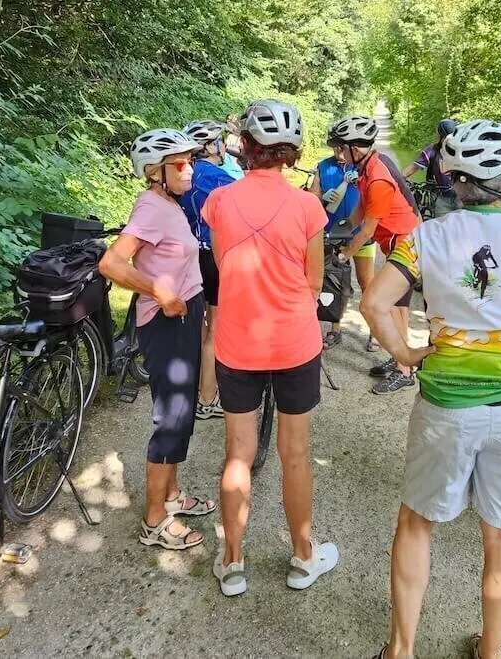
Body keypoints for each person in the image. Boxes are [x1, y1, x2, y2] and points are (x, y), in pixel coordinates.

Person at [360, 120, 501, 659]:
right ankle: (491, 652)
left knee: (416, 523)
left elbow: (374, 304)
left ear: (452, 180)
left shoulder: (424, 239)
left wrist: (406, 355)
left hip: (446, 408)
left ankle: (401, 651)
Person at [201, 98, 339, 597]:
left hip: (239, 345)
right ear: (293, 152)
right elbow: (313, 281)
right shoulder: (308, 207)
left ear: (245, 147)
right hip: (295, 344)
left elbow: (223, 267)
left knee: (238, 454)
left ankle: (233, 562)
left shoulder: (218, 202)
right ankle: (304, 558)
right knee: (295, 454)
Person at [98, 128, 218, 550]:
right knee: (171, 416)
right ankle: (153, 522)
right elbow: (111, 263)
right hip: (165, 324)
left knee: (182, 414)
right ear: (155, 171)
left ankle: (171, 495)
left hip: (183, 318)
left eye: (190, 160)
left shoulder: (170, 203)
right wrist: (160, 292)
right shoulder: (151, 206)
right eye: (180, 163)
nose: (190, 169)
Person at [330, 114, 422, 395]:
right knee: (398, 308)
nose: (338, 153)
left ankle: (404, 370)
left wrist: (346, 253)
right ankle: (400, 359)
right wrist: (341, 228)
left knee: (392, 307)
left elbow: (368, 229)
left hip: (406, 245)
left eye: (341, 148)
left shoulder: (379, 177)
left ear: (355, 149)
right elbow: (361, 210)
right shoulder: (368, 166)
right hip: (399, 243)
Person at [180, 119, 238, 420]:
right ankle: (206, 399)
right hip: (213, 259)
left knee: (198, 326)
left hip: (188, 259)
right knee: (215, 330)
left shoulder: (184, 175)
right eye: (221, 140)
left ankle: (195, 387)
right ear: (212, 146)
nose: (224, 144)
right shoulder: (220, 178)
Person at [308, 135, 377, 349]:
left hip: (361, 234)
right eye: (335, 147)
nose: (339, 151)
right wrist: (321, 197)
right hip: (333, 234)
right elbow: (311, 197)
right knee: (336, 284)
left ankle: (375, 331)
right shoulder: (323, 166)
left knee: (367, 283)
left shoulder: (361, 166)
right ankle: (334, 329)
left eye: (342, 147)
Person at [402, 119, 460, 216]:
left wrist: (401, 178)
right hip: (457, 198)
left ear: (439, 134)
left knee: (443, 226)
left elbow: (409, 170)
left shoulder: (432, 150)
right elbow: (411, 169)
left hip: (445, 199)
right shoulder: (433, 150)